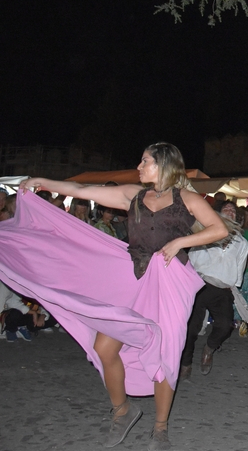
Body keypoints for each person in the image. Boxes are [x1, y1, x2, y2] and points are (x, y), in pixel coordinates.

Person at [8, 142, 227, 449]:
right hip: (135, 281)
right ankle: (123, 410)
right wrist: (43, 182)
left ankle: (160, 429)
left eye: (145, 161)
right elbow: (81, 190)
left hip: (169, 283)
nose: (139, 166)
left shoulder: (187, 199)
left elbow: (219, 229)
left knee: (164, 355)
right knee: (104, 346)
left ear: (163, 165)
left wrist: (180, 243)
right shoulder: (132, 196)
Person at [180, 200, 248, 379]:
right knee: (191, 327)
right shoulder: (204, 233)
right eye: (226, 209)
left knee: (226, 325)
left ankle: (209, 349)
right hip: (200, 284)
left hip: (222, 287)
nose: (230, 212)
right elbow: (192, 257)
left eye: (233, 210)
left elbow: (240, 266)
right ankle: (185, 363)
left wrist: (234, 286)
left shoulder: (241, 242)